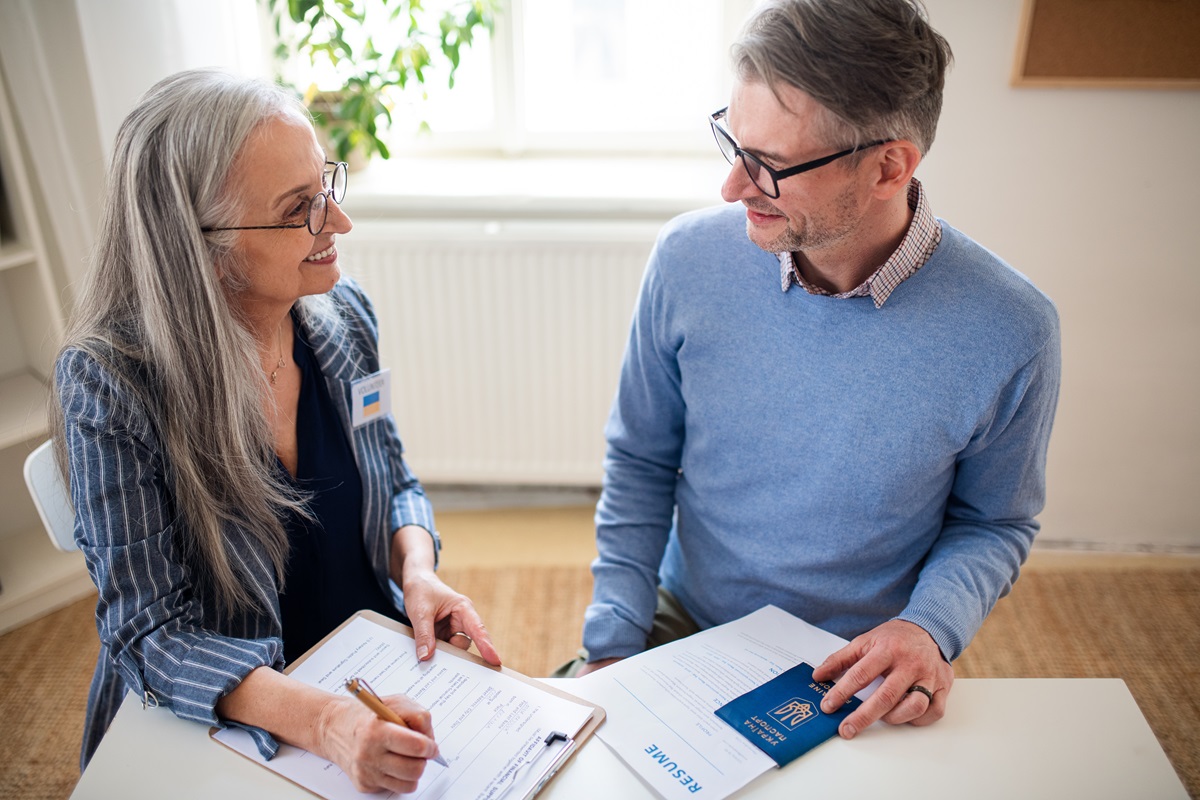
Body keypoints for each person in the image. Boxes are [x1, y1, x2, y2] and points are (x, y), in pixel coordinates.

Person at [572, 0, 1061, 741]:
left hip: (860, 657)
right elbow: (641, 459)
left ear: (888, 167)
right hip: (683, 620)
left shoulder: (1012, 328)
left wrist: (929, 629)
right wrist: (611, 642)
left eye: (768, 165)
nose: (732, 187)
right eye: (732, 143)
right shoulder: (685, 261)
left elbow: (994, 520)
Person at [50, 68, 499, 793]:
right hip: (218, 714)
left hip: (360, 669)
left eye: (328, 186)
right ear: (202, 247)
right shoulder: (112, 383)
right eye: (301, 209)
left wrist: (416, 571)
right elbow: (148, 636)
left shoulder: (344, 316)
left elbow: (395, 479)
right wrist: (322, 721)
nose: (339, 224)